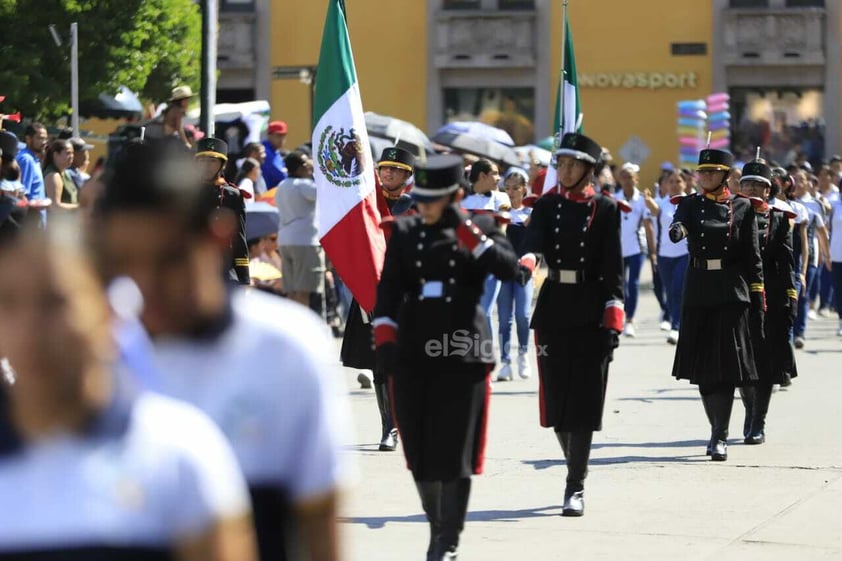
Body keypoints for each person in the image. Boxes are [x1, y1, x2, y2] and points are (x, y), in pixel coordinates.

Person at [91, 141, 349, 561]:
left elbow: (319, 519)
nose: (146, 283)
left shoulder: (286, 347)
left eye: (167, 259)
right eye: (126, 262)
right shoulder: (97, 352)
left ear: (216, 235)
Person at [0, 225, 256, 561]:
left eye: (55, 302)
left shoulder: (181, 451)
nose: (29, 331)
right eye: (7, 303)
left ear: (107, 312)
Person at [373, 155, 517, 559]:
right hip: (414, 349)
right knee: (418, 451)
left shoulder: (482, 227)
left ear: (454, 196)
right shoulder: (406, 232)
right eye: (422, 198)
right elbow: (389, 290)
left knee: (455, 451)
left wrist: (468, 232)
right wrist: (385, 339)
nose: (426, 206)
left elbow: (508, 270)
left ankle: (447, 540)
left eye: (434, 199)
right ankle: (438, 523)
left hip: (462, 349)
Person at [521, 133, 623, 517]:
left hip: (591, 311)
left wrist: (613, 315)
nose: (563, 170)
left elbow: (614, 268)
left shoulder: (607, 210)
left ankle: (574, 484)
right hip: (553, 309)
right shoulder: (547, 205)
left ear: (587, 170)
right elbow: (534, 242)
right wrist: (527, 262)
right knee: (559, 404)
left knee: (584, 402)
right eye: (559, 163)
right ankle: (574, 464)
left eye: (570, 164)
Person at [669, 148, 764, 462]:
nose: (705, 177)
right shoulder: (689, 205)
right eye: (702, 172)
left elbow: (753, 257)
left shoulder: (743, 207)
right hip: (698, 291)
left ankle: (725, 431)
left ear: (726, 175)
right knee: (704, 370)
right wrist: (678, 230)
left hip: (730, 293)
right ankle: (716, 430)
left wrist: (758, 295)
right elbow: (679, 224)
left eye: (712, 172)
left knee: (727, 368)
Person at [340, 146, 415, 451]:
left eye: (395, 170)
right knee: (379, 363)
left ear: (407, 175)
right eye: (385, 168)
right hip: (372, 291)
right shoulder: (367, 203)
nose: (388, 173)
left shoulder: (415, 206)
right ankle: (390, 426)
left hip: (408, 294)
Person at [736, 157, 799, 444]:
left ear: (767, 190)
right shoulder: (727, 215)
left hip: (769, 298)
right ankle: (750, 410)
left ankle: (758, 421)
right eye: (746, 183)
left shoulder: (779, 220)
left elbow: (786, 263)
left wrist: (790, 295)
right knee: (740, 363)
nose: (750, 189)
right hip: (736, 294)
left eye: (757, 185)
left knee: (764, 362)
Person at [460, 159, 510, 337]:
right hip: (466, 263)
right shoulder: (462, 200)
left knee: (485, 311)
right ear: (482, 176)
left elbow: (502, 231)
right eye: (495, 173)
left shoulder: (501, 199)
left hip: (490, 262)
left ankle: (485, 354)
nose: (499, 178)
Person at [196, 137, 251, 285]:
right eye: (202, 161)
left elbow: (239, 238)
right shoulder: (185, 193)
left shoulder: (232, 194)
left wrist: (244, 279)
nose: (207, 166)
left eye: (212, 161)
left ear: (222, 165)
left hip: (225, 269)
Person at [496, 167, 533, 381]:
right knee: (504, 319)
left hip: (523, 270)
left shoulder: (531, 213)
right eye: (507, 188)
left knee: (523, 315)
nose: (511, 192)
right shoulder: (500, 210)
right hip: (503, 268)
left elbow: (536, 245)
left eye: (515, 188)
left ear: (524, 189)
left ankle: (523, 354)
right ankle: (505, 362)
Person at [645, 169, 689, 344]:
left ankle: (676, 327)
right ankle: (675, 320)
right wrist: (648, 201)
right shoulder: (661, 203)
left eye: (678, 181)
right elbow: (654, 213)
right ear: (665, 185)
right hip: (664, 255)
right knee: (670, 292)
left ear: (685, 184)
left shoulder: (689, 202)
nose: (674, 184)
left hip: (684, 254)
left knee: (678, 289)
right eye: (671, 181)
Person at [275, 151, 323, 310]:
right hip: (305, 242)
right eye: (306, 163)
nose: (309, 166)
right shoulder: (304, 185)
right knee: (304, 291)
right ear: (299, 168)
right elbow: (324, 193)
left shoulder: (282, 185)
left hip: (285, 241)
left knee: (291, 290)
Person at [615, 162, 657, 336]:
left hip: (637, 248)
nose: (627, 180)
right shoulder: (614, 198)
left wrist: (653, 252)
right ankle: (621, 314)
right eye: (624, 177)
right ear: (620, 179)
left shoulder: (641, 200)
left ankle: (630, 319)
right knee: (621, 284)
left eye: (630, 177)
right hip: (618, 248)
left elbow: (648, 225)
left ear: (636, 179)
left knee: (633, 283)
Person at [15, 123, 47, 211]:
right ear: (28, 139)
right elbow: (22, 194)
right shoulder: (26, 159)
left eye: (45, 138)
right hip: (31, 218)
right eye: (40, 138)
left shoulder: (33, 159)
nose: (44, 142)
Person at [42, 138, 79, 212]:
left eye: (72, 153)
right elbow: (55, 206)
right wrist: (81, 208)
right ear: (56, 155)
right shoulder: (53, 176)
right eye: (68, 153)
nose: (72, 156)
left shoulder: (64, 173)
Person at [261, 120, 289, 189]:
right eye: (278, 136)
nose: (281, 139)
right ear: (269, 135)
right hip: (266, 194)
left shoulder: (275, 151)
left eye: (283, 136)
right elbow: (282, 175)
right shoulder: (266, 151)